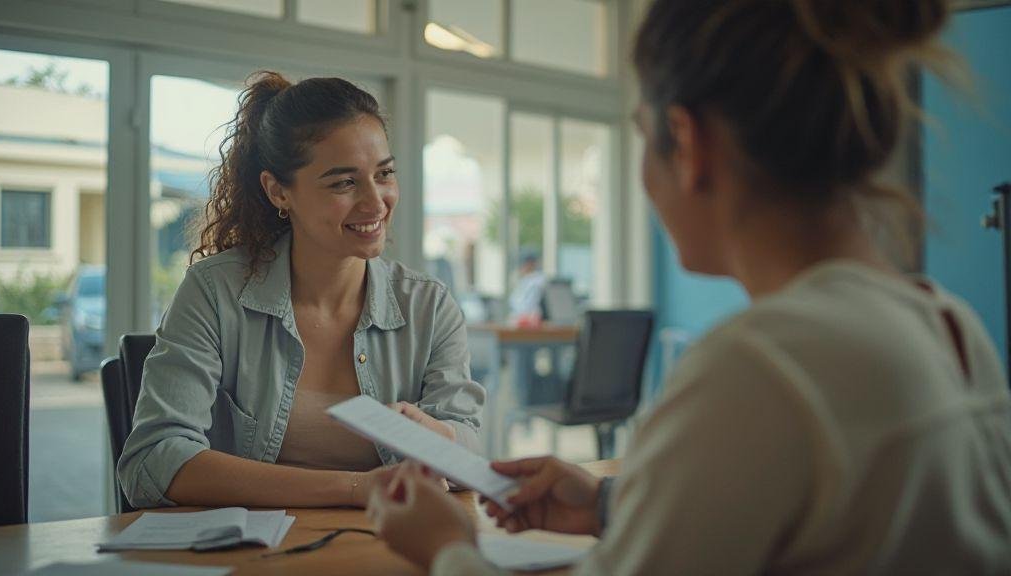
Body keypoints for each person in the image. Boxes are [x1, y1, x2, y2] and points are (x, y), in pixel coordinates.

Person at [366, 1, 1011, 573]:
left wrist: (448, 548)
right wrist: (608, 503)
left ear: (686, 141)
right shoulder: (950, 326)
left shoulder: (757, 369)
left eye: (644, 137)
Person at [118, 72, 485, 509]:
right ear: (278, 191)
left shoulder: (428, 305)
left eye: (383, 173)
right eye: (343, 183)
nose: (375, 202)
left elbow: (468, 452)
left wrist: (442, 440)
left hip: (382, 547)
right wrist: (353, 489)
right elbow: (154, 461)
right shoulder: (215, 292)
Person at [507, 250, 546, 325]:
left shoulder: (538, 281)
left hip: (530, 322)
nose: (521, 268)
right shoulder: (524, 280)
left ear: (530, 264)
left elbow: (526, 307)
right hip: (519, 321)